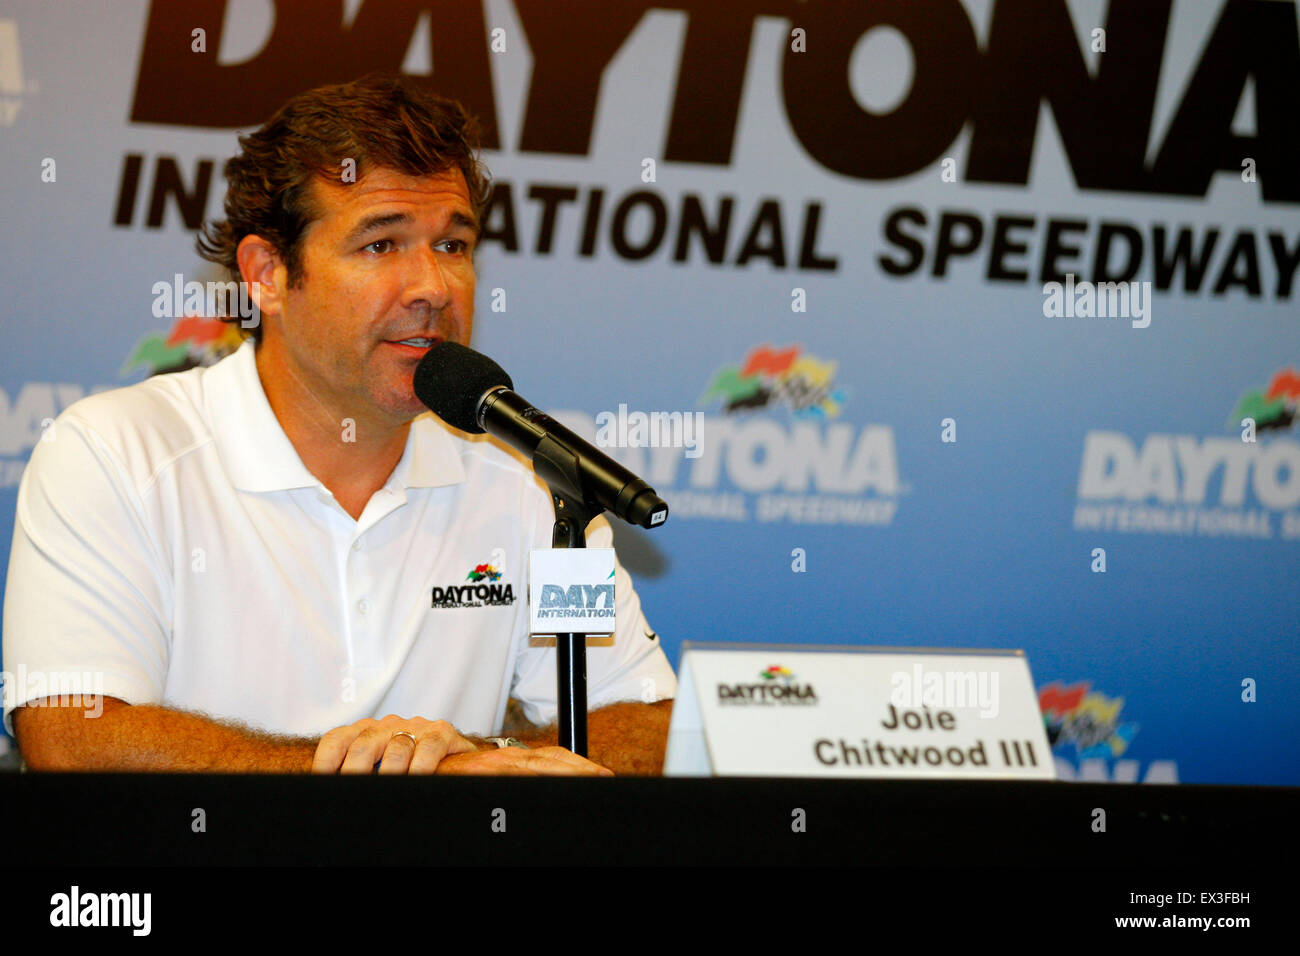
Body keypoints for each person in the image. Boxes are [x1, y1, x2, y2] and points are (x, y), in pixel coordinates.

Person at [2, 73, 676, 775]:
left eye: (452, 246)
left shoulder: (533, 486)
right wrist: (388, 777)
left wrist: (478, 758)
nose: (433, 289)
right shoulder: (114, 454)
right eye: (381, 246)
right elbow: (75, 741)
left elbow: (647, 723)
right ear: (266, 273)